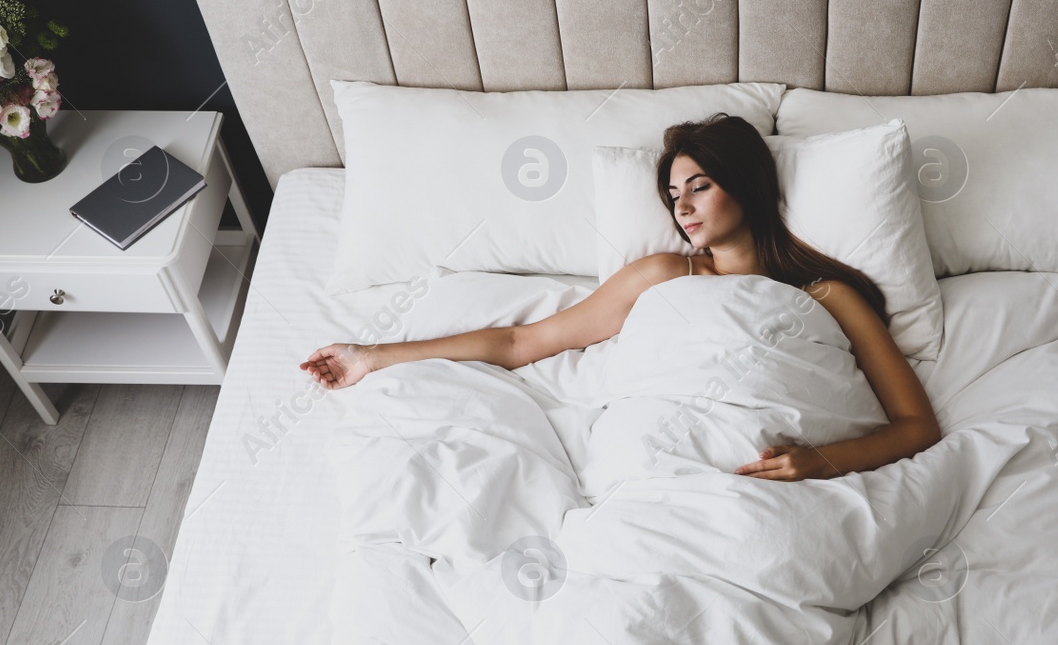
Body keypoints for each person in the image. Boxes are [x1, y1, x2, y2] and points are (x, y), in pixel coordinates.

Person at [301, 114, 942, 481]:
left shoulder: (827, 295)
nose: (682, 206)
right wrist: (373, 355)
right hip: (654, 469)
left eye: (700, 186)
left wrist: (822, 462)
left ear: (745, 185)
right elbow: (524, 341)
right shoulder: (664, 276)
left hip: (777, 482)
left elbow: (917, 427)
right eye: (672, 195)